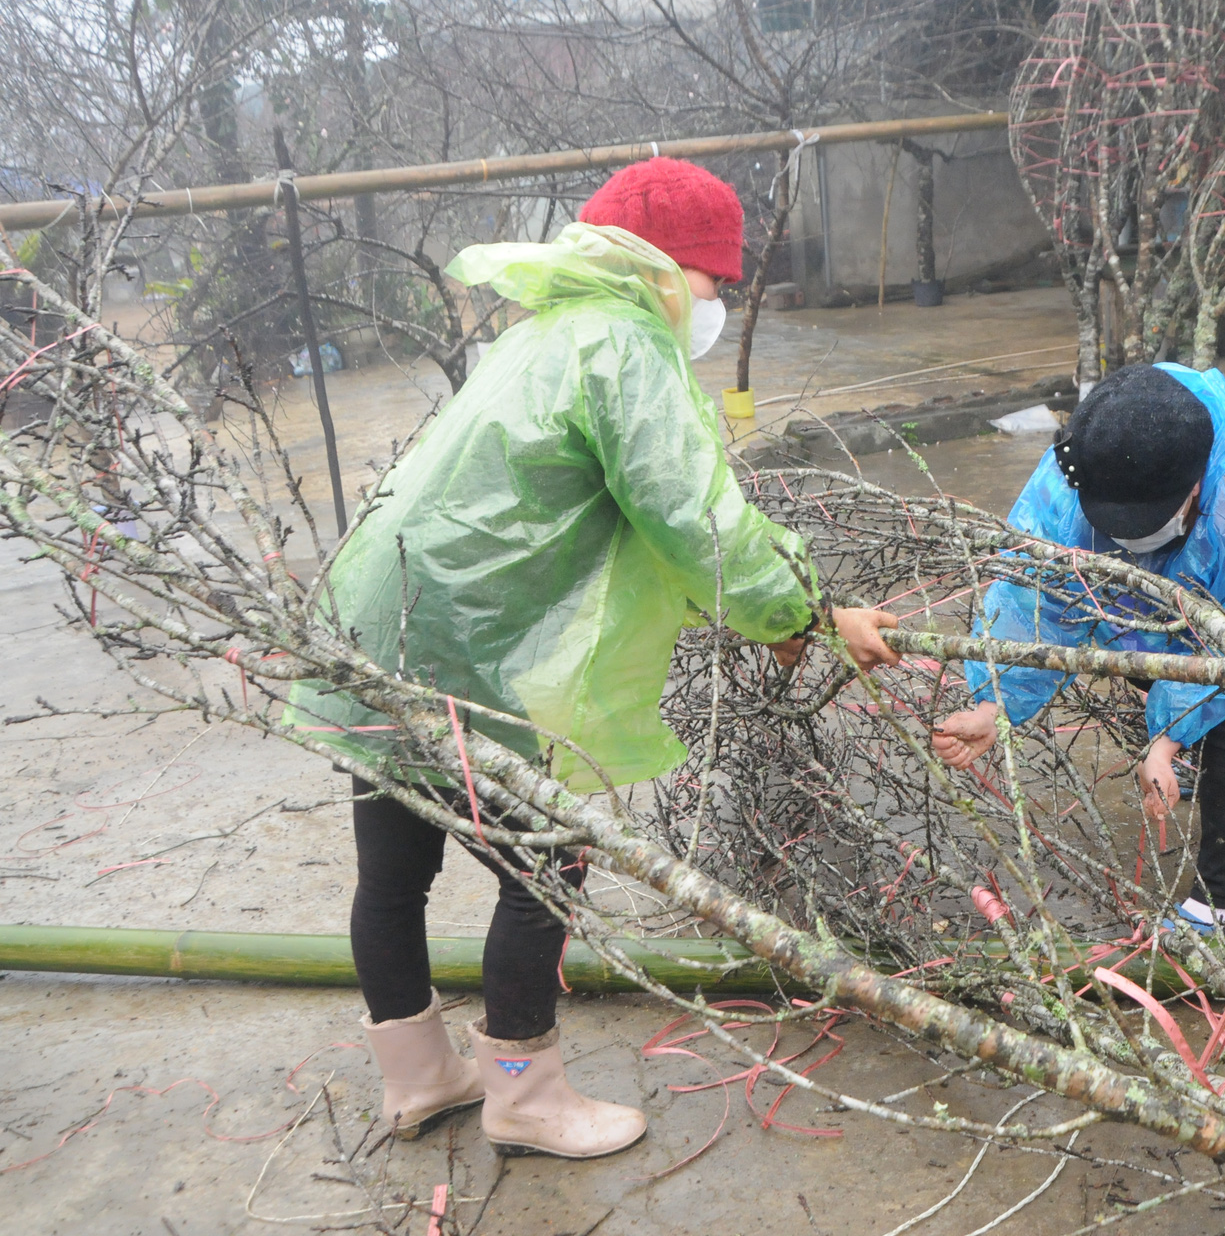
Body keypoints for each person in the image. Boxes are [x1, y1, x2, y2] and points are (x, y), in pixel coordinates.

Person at [288, 158, 898, 1158]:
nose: (716, 302)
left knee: (393, 869)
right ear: (664, 268)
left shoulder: (542, 332)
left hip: (375, 618)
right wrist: (811, 609)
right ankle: (523, 1094)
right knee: (547, 854)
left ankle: (418, 1078)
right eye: (715, 280)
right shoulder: (621, 344)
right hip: (463, 642)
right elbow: (695, 517)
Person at [930, 362, 1225, 936]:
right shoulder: (1087, 460)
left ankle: (1217, 905)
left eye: (1141, 523)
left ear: (1197, 484)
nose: (1124, 536)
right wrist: (995, 705)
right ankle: (1175, 743)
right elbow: (1034, 593)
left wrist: (1170, 735)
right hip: (1174, 558)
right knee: (1137, 643)